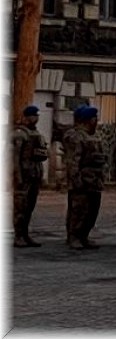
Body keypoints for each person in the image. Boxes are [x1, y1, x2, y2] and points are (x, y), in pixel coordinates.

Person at [63, 104, 106, 250]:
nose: (96, 121)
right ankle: (74, 236)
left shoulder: (94, 135)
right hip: (82, 180)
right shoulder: (75, 136)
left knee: (92, 210)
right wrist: (76, 180)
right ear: (87, 120)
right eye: (94, 118)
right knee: (79, 210)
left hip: (94, 180)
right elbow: (73, 161)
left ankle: (84, 236)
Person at [11, 105, 48, 248]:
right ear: (26, 117)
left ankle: (25, 234)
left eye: (37, 116)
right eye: (34, 115)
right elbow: (14, 158)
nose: (36, 118)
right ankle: (18, 236)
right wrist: (17, 177)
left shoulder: (35, 133)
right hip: (24, 177)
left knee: (29, 207)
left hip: (34, 175)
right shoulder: (20, 133)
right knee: (20, 207)